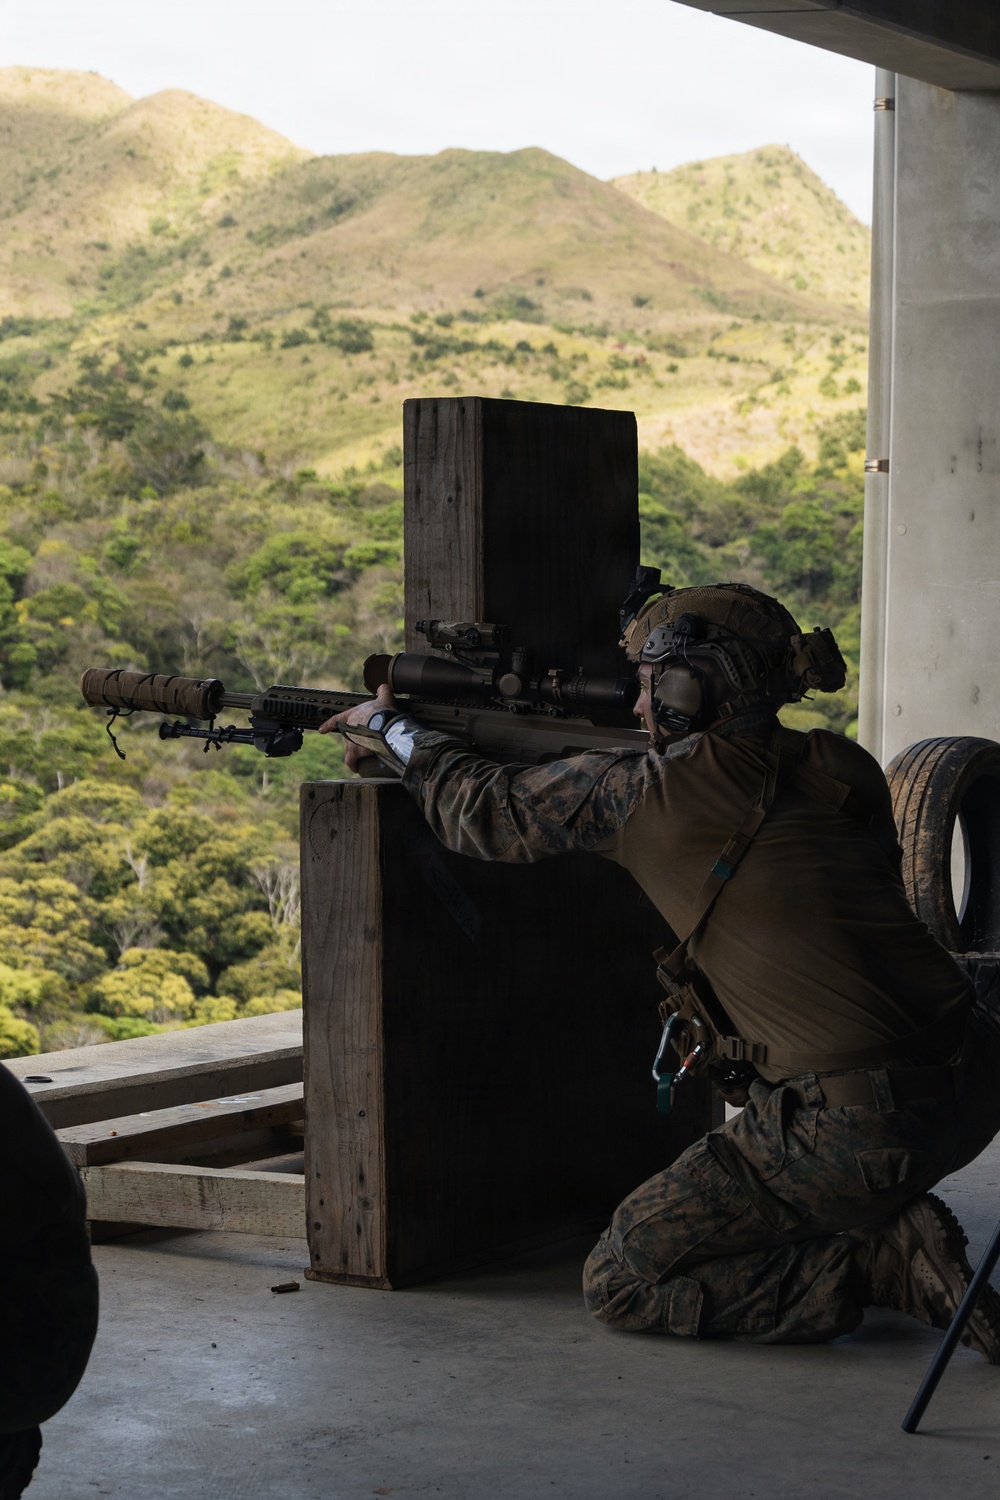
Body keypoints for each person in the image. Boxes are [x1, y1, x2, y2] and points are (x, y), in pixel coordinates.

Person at [320, 579, 1000, 1355]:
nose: (638, 709)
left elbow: (483, 814)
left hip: (862, 1126)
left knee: (623, 1278)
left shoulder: (651, 793)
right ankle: (874, 1200)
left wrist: (393, 731)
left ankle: (881, 1266)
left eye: (649, 687)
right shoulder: (841, 765)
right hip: (973, 1079)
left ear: (691, 686)